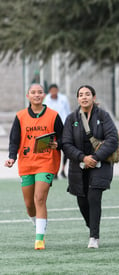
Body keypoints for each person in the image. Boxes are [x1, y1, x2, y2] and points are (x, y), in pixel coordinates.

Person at [4, 83, 63, 250]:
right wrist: (11, 158)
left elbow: (63, 138)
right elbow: (14, 140)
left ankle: (39, 239)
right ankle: (37, 222)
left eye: (40, 92)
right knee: (30, 205)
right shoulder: (21, 116)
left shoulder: (53, 116)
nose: (37, 95)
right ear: (27, 96)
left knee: (39, 198)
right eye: (33, 92)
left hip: (46, 162)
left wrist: (56, 144)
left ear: (44, 95)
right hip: (27, 163)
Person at [62, 85, 118, 249]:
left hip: (100, 164)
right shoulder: (71, 118)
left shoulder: (103, 116)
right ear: (77, 98)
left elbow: (112, 139)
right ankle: (91, 225)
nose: (84, 97)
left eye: (87, 94)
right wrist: (82, 158)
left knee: (94, 197)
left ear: (94, 97)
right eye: (81, 95)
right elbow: (66, 143)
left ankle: (94, 236)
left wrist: (95, 157)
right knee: (82, 202)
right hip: (78, 165)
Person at [44, 84, 71, 178]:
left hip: (63, 125)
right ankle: (54, 171)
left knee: (66, 147)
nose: (54, 92)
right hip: (51, 127)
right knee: (53, 149)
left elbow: (67, 111)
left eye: (55, 90)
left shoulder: (63, 99)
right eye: (52, 90)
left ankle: (63, 169)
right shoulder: (46, 99)